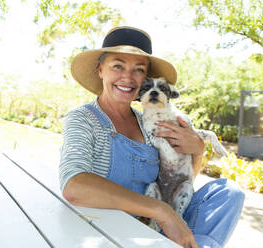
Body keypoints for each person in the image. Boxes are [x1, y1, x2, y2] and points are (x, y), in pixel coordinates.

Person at [59, 26, 244, 248]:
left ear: (146, 77)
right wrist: (161, 211)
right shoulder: (84, 119)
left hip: (159, 225)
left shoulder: (149, 121)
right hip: (110, 232)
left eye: (138, 69)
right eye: (118, 66)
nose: (127, 77)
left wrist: (197, 150)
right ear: (100, 70)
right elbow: (74, 186)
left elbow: (182, 179)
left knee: (228, 192)